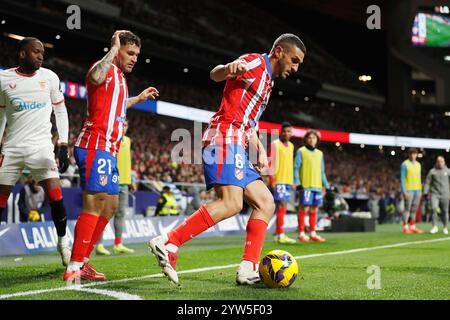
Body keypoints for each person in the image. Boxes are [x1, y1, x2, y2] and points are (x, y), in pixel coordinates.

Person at [148, 33, 306, 286]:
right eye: (294, 60)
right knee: (231, 203)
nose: (295, 68)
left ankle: (248, 269)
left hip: (238, 143)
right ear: (279, 52)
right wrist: (228, 68)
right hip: (223, 138)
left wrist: (259, 149)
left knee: (265, 202)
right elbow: (215, 74)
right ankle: (169, 241)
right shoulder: (255, 63)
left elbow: (250, 122)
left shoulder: (268, 82)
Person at [63, 30, 159, 282]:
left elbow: (116, 105)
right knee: (94, 203)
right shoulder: (103, 68)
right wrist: (113, 50)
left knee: (112, 205)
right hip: (95, 144)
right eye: (130, 52)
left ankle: (82, 260)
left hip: (109, 150)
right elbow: (94, 76)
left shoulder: (119, 78)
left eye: (137, 55)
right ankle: (74, 266)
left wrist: (137, 98)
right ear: (118, 50)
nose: (134, 58)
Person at [0, 37, 71, 266]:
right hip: (12, 148)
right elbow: (0, 115)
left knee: (56, 197)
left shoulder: (50, 77)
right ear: (22, 54)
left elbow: (61, 112)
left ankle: (63, 243)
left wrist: (63, 145)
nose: (41, 55)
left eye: (42, 52)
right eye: (36, 52)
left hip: (41, 147)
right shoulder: (3, 79)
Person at [96, 120, 136, 255]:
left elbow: (127, 161)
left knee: (120, 214)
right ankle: (99, 244)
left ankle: (118, 244)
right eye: (121, 124)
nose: (123, 127)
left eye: (125, 125)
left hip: (124, 182)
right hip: (111, 182)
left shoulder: (128, 140)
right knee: (105, 213)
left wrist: (132, 179)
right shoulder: (109, 139)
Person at [294, 130, 329, 243]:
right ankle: (301, 233)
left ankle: (313, 233)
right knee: (304, 208)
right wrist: (297, 182)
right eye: (309, 137)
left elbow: (322, 171)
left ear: (317, 140)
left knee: (314, 209)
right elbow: (296, 168)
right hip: (305, 186)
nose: (311, 139)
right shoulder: (301, 151)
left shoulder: (320, 153)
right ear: (306, 139)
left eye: (314, 137)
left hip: (317, 186)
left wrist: (326, 185)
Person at [269, 122, 296, 244]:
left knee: (282, 206)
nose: (286, 133)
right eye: (284, 131)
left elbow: (290, 164)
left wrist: (292, 182)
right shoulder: (275, 144)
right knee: (282, 205)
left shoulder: (291, 146)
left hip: (287, 181)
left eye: (289, 131)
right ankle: (280, 234)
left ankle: (278, 232)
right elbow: (271, 163)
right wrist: (272, 180)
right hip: (278, 180)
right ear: (281, 132)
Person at [424, 155, 449, 235]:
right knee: (434, 209)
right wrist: (425, 192)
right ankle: (434, 226)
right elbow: (428, 182)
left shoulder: (448, 171)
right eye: (439, 161)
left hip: (445, 194)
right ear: (436, 162)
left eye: (442, 161)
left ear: (444, 162)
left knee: (445, 212)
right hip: (435, 194)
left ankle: (445, 227)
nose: (440, 163)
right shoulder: (432, 171)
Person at [400, 148, 423, 234]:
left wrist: (420, 189)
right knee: (407, 209)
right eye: (411, 154)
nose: (413, 156)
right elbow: (402, 178)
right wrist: (404, 191)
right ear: (409, 155)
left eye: (414, 154)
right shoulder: (404, 164)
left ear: (416, 155)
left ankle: (412, 226)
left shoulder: (418, 164)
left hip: (418, 189)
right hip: (409, 190)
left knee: (414, 209)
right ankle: (405, 227)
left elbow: (419, 177)